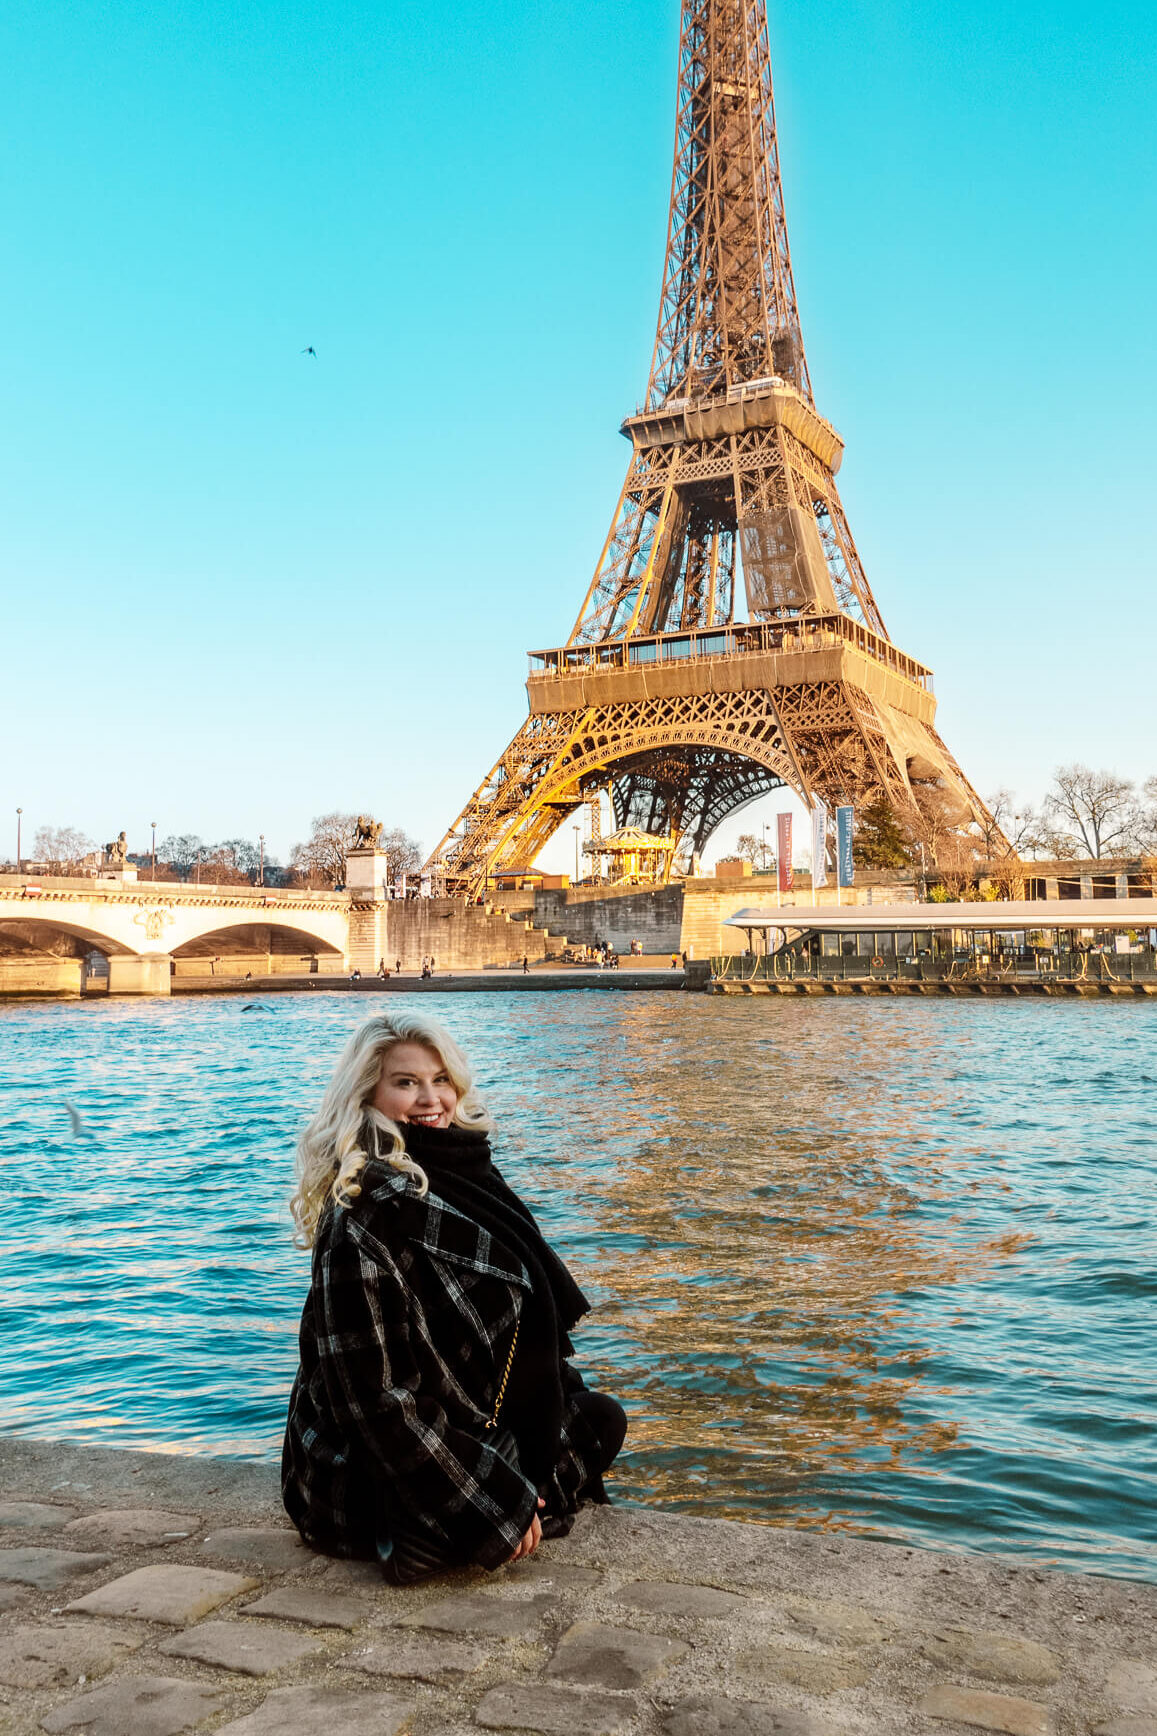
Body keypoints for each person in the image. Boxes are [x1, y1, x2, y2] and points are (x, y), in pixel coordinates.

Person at [282, 1012, 626, 1581]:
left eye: (440, 1080)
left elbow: (529, 1333)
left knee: (600, 1419)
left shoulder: (472, 1176)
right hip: (374, 1452)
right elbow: (375, 1400)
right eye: (406, 1082)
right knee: (514, 1486)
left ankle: (479, 1514)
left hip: (474, 1419)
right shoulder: (366, 1211)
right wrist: (489, 1500)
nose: (430, 1099)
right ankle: (445, 1519)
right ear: (367, 1093)